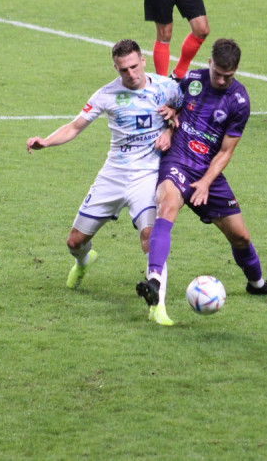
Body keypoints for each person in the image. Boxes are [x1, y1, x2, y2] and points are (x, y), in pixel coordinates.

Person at [26, 39, 181, 325]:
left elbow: (190, 112)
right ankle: (84, 261)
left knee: (150, 236)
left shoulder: (167, 87)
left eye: (134, 66)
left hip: (147, 175)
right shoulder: (106, 95)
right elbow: (75, 127)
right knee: (75, 241)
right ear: (116, 68)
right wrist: (45, 142)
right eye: (123, 70)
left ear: (143, 60)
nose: (130, 74)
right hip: (113, 175)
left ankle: (157, 305)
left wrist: (171, 129)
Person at [136, 38, 267, 320]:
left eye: (227, 76)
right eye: (217, 73)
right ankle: (155, 281)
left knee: (240, 236)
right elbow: (172, 109)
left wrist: (207, 182)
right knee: (167, 206)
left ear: (236, 71)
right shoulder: (191, 80)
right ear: (209, 63)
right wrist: (170, 123)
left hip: (208, 171)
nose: (221, 80)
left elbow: (225, 151)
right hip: (177, 160)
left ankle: (257, 284)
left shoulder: (239, 101)